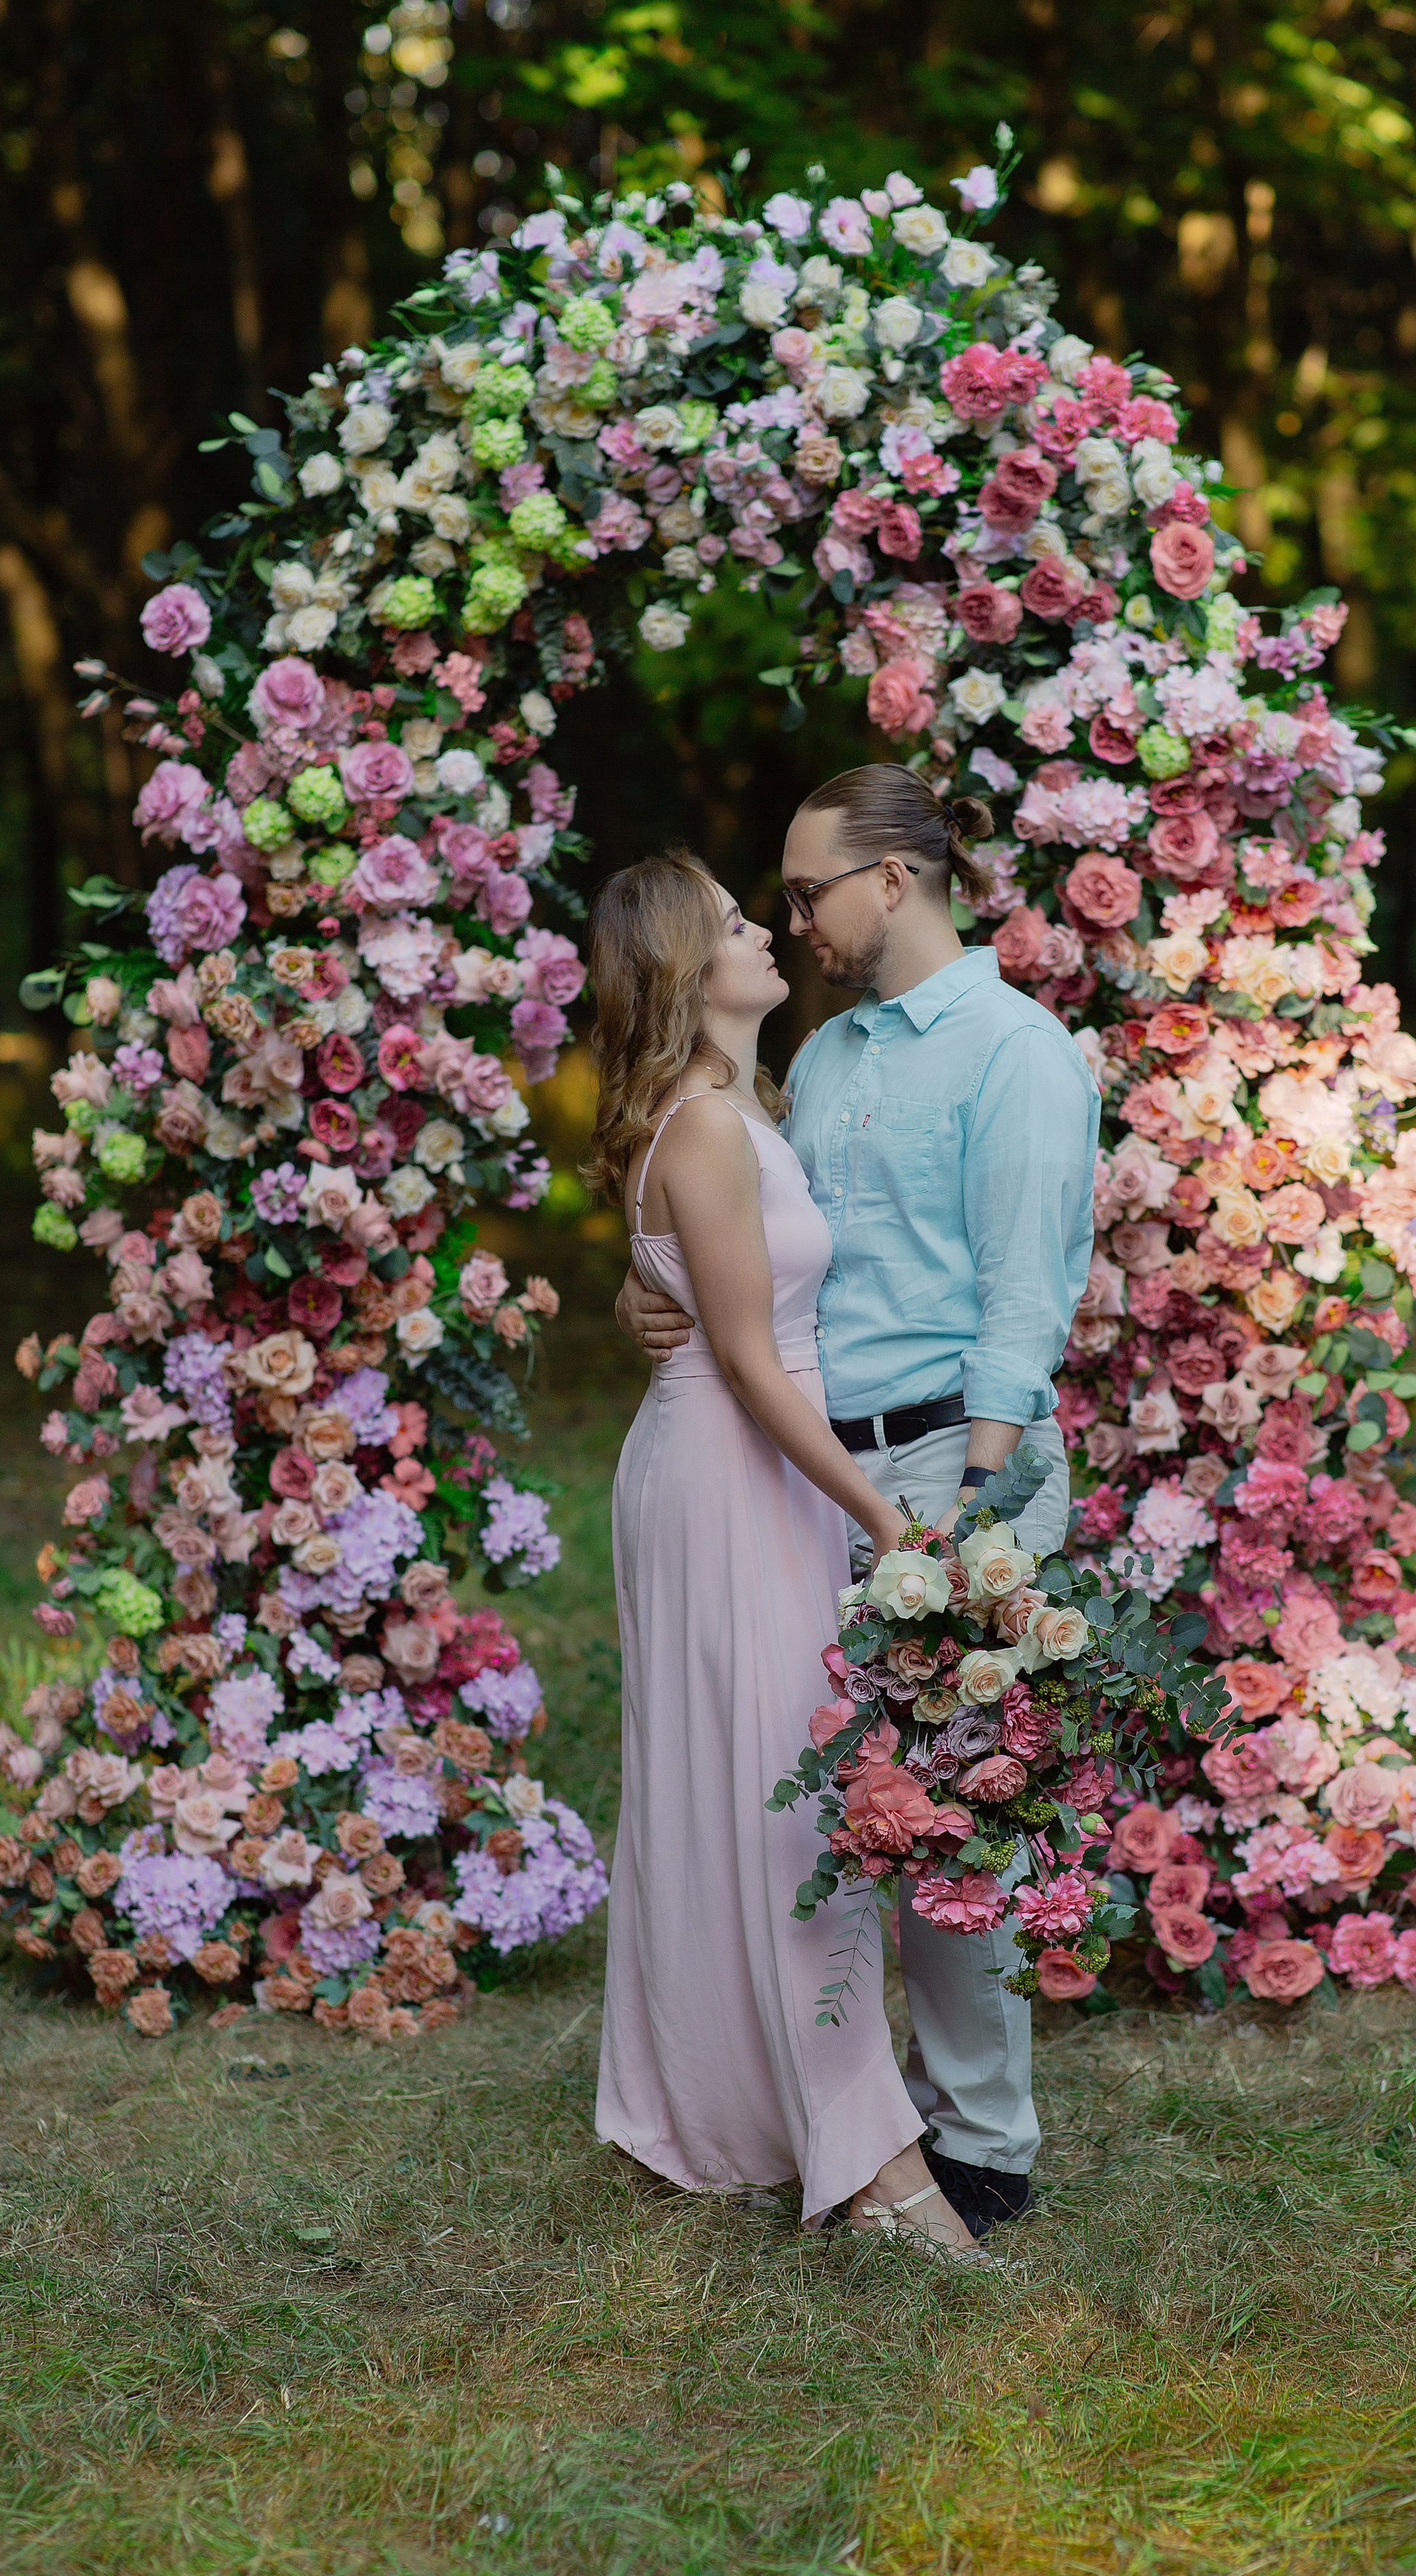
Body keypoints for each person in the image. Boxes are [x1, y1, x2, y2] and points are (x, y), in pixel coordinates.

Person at [616, 767, 1100, 2238]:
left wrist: (970, 1506)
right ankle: (820, 2096)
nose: (791, 918)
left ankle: (980, 2146)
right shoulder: (819, 1059)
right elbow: (745, 1248)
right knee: (824, 1804)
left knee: (955, 1805)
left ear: (893, 878)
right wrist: (651, 1300)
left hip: (951, 1464)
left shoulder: (1017, 1054)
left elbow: (1024, 1296)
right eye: (770, 899)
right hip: (803, 1473)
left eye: (806, 889)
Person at [586, 845, 986, 2257]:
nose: (768, 930)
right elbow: (753, 1364)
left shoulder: (738, 1112)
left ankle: (746, 2105)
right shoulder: (704, 1127)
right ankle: (869, 2160)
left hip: (756, 1467)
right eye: (735, 921)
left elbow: (714, 1301)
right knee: (779, 1802)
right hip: (729, 1471)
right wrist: (882, 1516)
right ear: (684, 970)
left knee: (765, 1790)